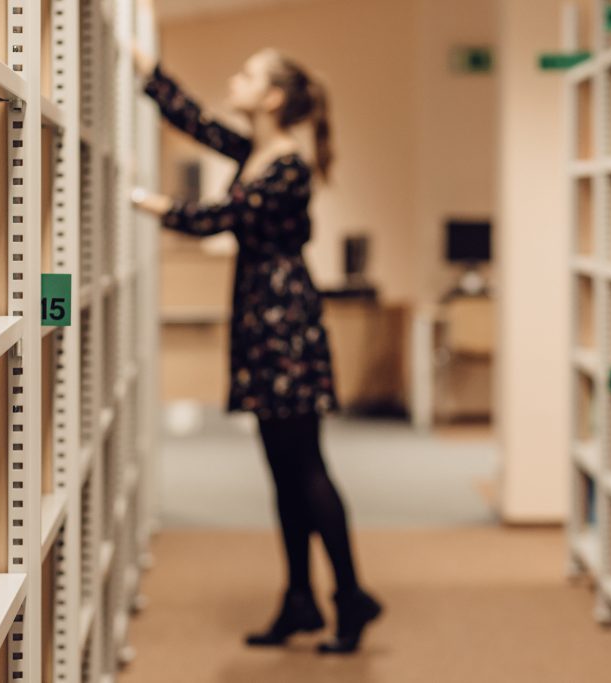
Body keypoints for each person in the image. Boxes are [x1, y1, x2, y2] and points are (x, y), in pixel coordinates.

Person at [130, 47, 383, 654]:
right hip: (262, 318)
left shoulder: (287, 165)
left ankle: (349, 596)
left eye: (246, 75)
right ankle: (299, 596)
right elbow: (196, 121)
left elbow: (221, 216)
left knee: (307, 466)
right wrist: (149, 72)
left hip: (284, 324)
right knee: (282, 470)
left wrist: (147, 202)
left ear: (273, 98)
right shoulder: (257, 152)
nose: (233, 79)